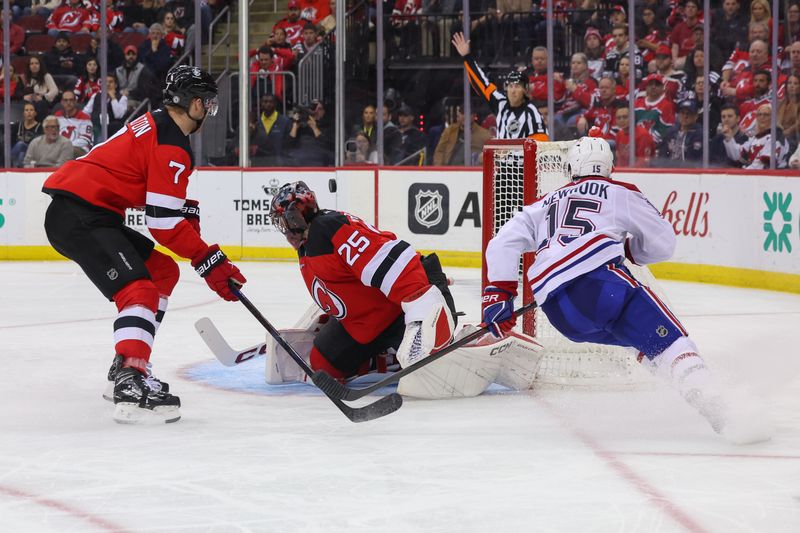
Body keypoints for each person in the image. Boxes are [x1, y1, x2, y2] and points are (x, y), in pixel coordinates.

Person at [481, 136, 746, 441]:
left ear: (571, 167)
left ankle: (695, 392)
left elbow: (502, 242)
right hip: (600, 286)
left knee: (640, 342)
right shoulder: (620, 191)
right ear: (610, 168)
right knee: (673, 344)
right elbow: (663, 244)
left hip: (558, 312)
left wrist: (498, 295)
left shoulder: (544, 202)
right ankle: (725, 412)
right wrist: (630, 251)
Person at [41, 65, 247, 424]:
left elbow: (158, 201)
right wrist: (209, 260)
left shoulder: (158, 124)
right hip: (81, 215)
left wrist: (188, 221)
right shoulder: (172, 142)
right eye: (207, 103)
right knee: (139, 290)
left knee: (161, 271)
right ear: (194, 104)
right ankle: (130, 379)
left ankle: (128, 361)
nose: (209, 111)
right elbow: (163, 224)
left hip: (87, 211)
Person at [267, 181, 456, 382]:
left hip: (403, 305)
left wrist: (421, 307)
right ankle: (386, 359)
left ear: (298, 216)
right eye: (282, 225)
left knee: (430, 365)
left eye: (287, 222)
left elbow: (391, 262)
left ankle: (421, 344)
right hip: (369, 319)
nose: (286, 231)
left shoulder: (328, 228)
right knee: (323, 365)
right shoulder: (309, 243)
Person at [452, 31, 548, 140]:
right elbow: (482, 83)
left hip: (522, 156)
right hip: (502, 156)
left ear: (525, 90)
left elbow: (542, 141)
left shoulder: (531, 112)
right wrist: (467, 57)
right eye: (510, 86)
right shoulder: (500, 103)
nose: (513, 90)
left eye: (517, 87)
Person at [55, 90, 94, 158]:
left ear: (75, 101)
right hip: (60, 149)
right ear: (61, 102)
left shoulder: (84, 117)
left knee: (67, 152)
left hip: (79, 150)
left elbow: (85, 140)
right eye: (65, 100)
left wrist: (66, 147)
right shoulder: (57, 116)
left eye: (71, 100)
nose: (68, 103)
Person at [11, 103, 44, 167]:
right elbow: (11, 142)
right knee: (21, 153)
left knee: (21, 146)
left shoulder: (40, 127)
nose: (29, 112)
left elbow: (39, 145)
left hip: (32, 153)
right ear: (23, 113)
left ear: (35, 113)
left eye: (31, 110)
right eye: (26, 110)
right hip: (17, 154)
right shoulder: (17, 126)